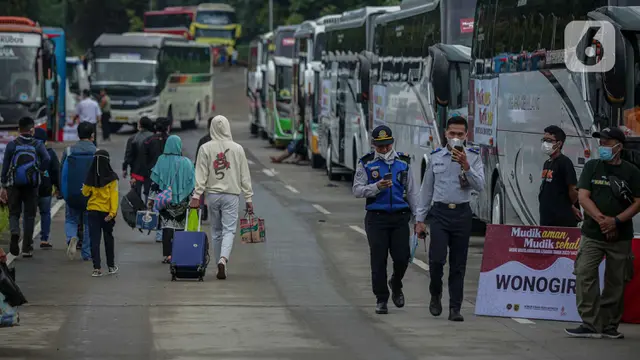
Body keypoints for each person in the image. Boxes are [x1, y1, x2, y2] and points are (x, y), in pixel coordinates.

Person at [566, 127, 640, 339]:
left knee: (616, 281)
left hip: (621, 236)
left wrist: (616, 221)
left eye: (607, 143)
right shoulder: (592, 167)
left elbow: (638, 202)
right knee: (584, 274)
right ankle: (590, 323)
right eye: (602, 142)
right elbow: (583, 197)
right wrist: (602, 220)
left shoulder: (632, 172)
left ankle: (609, 326)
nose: (603, 147)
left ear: (619, 146)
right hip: (592, 234)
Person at [415, 116, 485, 322]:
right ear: (446, 134)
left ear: (466, 135)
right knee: (436, 260)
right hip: (440, 214)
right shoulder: (436, 156)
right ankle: (435, 294)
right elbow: (426, 190)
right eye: (452, 134)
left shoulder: (473, 156)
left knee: (458, 264)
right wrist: (420, 219)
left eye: (460, 134)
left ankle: (455, 307)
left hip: (462, 214)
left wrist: (466, 166)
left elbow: (480, 185)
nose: (456, 138)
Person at [352, 125, 419, 315]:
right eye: (379, 146)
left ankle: (396, 283)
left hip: (399, 217)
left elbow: (412, 192)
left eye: (387, 145)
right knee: (378, 259)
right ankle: (381, 298)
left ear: (392, 143)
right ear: (373, 145)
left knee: (402, 257)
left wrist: (418, 219)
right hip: (377, 218)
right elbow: (357, 189)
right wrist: (376, 187)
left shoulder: (404, 162)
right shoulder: (366, 163)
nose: (384, 150)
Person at [190, 115, 253, 280]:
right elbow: (244, 175)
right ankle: (223, 260)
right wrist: (248, 198)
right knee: (229, 230)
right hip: (231, 195)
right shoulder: (237, 149)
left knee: (216, 231)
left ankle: (219, 261)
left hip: (212, 195)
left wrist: (197, 195)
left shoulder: (205, 148)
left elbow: (201, 174)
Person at [0, 117, 51, 257]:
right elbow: (47, 159)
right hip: (32, 185)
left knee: (14, 213)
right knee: (29, 216)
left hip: (14, 184)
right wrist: (39, 171)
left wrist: (3, 184)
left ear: (19, 129)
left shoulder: (12, 144)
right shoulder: (38, 144)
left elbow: (5, 166)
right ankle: (27, 248)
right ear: (32, 129)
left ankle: (15, 232)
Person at [150, 135, 195, 263]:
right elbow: (192, 183)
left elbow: (155, 181)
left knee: (167, 226)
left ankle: (168, 255)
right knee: (180, 227)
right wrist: (193, 199)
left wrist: (151, 200)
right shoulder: (187, 162)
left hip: (166, 201)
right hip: (182, 201)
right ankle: (179, 252)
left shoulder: (161, 160)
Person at [60, 122, 97, 261]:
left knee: (71, 219)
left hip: (72, 193)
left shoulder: (69, 151)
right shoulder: (97, 152)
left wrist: (61, 190)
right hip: (91, 195)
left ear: (78, 134)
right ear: (92, 135)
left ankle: (71, 238)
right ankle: (86, 253)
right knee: (89, 223)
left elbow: (61, 171)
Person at [82, 150, 119, 277]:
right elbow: (114, 197)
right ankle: (111, 265)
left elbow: (85, 193)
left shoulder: (90, 177)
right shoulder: (112, 178)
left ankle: (96, 268)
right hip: (107, 213)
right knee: (108, 239)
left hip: (92, 211)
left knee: (95, 240)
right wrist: (113, 213)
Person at [31, 128, 60, 249]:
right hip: (45, 188)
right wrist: (58, 187)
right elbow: (55, 172)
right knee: (45, 213)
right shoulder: (50, 152)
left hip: (30, 188)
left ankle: (28, 241)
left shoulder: (28, 151)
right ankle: (44, 239)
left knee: (29, 215)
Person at [145, 117, 171, 243]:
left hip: (153, 178)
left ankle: (159, 232)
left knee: (155, 204)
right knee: (167, 205)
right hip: (169, 179)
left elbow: (143, 160)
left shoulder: (149, 141)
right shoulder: (171, 141)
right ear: (167, 127)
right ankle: (165, 231)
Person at [123, 116, 154, 200]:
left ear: (139, 125)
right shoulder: (154, 138)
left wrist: (124, 168)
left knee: (136, 194)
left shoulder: (133, 138)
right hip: (150, 172)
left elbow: (128, 155)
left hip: (136, 172)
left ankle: (137, 210)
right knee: (149, 194)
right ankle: (148, 211)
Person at [194, 117, 215, 221]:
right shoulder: (225, 142)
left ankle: (202, 209)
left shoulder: (203, 140)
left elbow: (198, 158)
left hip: (204, 171)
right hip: (219, 173)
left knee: (201, 192)